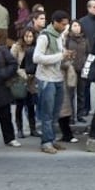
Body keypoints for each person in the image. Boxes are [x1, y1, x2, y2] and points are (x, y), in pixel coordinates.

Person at [33, 10, 72, 154]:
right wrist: (60, 56)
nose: (65, 27)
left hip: (58, 78)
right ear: (55, 22)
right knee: (47, 114)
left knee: (56, 113)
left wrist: (65, 56)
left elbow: (59, 56)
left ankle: (52, 139)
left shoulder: (60, 36)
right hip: (46, 79)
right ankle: (46, 142)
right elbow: (37, 58)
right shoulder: (45, 37)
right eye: (63, 24)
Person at [10, 27, 40, 138]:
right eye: (26, 36)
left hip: (32, 80)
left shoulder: (36, 47)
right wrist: (23, 74)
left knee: (31, 105)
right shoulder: (16, 47)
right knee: (20, 106)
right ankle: (19, 129)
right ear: (23, 36)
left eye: (31, 36)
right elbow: (12, 63)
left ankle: (33, 129)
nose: (28, 39)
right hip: (20, 80)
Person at [79, 0, 95, 117]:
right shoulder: (82, 22)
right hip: (87, 56)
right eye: (94, 7)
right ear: (88, 8)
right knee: (85, 84)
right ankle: (85, 108)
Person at [65, 20, 89, 123]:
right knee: (70, 94)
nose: (77, 27)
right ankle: (71, 116)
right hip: (71, 70)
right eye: (75, 25)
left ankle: (80, 114)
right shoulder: (67, 40)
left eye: (78, 25)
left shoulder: (85, 40)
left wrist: (87, 66)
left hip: (83, 69)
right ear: (70, 27)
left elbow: (88, 53)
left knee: (81, 93)